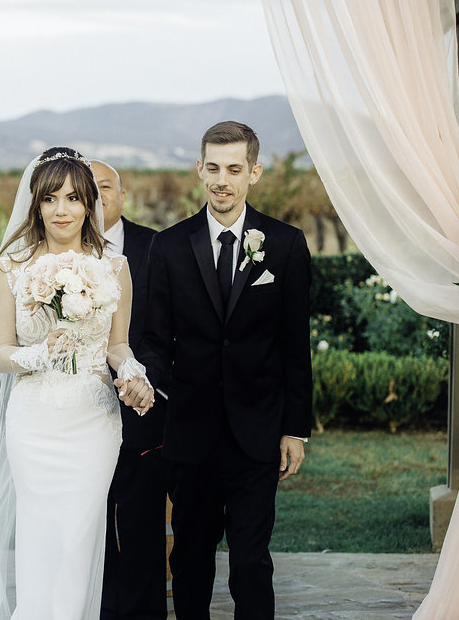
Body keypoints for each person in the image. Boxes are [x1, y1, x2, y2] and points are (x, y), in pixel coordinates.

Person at [0, 147, 154, 620]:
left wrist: (133, 374)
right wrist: (41, 353)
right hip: (34, 421)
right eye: (50, 199)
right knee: (40, 535)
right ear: (35, 204)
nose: (61, 210)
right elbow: (0, 353)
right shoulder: (12, 265)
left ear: (90, 205)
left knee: (80, 536)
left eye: (73, 199)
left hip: (93, 422)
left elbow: (117, 345)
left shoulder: (114, 267)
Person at [135, 121, 312, 619]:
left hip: (258, 432)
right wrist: (143, 377)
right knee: (190, 555)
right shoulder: (167, 247)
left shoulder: (285, 244)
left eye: (234, 169)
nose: (222, 179)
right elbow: (154, 339)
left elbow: (295, 346)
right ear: (199, 170)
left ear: (254, 172)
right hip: (189, 433)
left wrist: (294, 429)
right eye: (212, 167)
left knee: (251, 561)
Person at [91, 160, 166, 620]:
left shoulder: (157, 248)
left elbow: (166, 332)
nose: (97, 200)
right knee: (86, 525)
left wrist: (143, 380)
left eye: (105, 188)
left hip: (141, 411)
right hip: (75, 414)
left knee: (140, 526)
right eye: (87, 191)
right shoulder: (54, 254)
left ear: (123, 194)